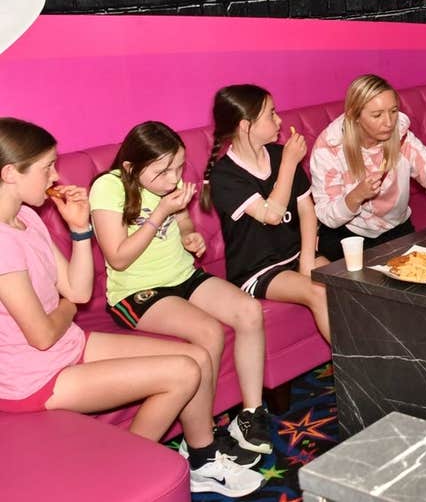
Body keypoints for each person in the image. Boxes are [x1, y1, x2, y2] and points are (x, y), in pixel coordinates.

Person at [0, 118, 262, 497]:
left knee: (198, 357)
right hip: (30, 377)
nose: (55, 174)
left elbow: (76, 288)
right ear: (10, 173)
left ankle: (202, 458)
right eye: (47, 167)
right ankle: (119, 477)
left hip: (66, 343)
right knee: (183, 373)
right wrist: (69, 307)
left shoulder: (25, 217)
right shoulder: (3, 243)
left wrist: (78, 232)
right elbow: (42, 334)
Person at [90, 121, 274, 456]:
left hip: (183, 276)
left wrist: (189, 233)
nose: (173, 180)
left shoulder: (166, 182)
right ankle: (201, 439)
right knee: (209, 333)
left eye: (178, 168)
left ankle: (251, 413)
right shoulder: (108, 187)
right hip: (137, 292)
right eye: (163, 172)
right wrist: (160, 213)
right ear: (131, 166)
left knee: (248, 310)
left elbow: (183, 218)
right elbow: (118, 258)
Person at [200, 85, 329, 342]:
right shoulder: (225, 176)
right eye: (271, 114)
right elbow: (271, 214)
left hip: (295, 254)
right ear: (245, 126)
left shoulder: (280, 154)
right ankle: (359, 371)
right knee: (319, 291)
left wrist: (307, 260)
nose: (279, 120)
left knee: (348, 283)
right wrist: (290, 164)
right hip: (257, 270)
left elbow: (306, 210)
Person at [311, 75, 426, 258]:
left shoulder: (401, 137)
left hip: (397, 230)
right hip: (347, 239)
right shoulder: (329, 148)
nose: (389, 122)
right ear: (354, 115)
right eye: (377, 115)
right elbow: (327, 216)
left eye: (393, 111)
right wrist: (356, 196)